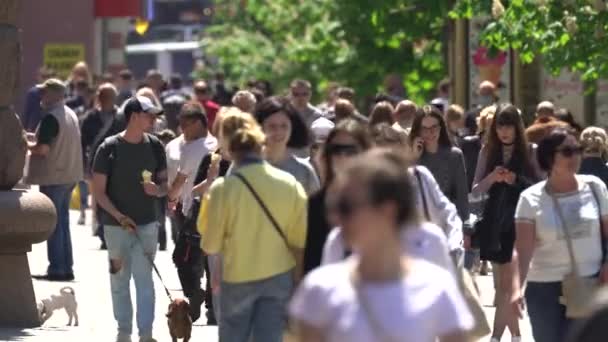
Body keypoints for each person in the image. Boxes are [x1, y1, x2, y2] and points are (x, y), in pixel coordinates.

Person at [290, 149, 473, 342]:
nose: (335, 218)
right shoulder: (318, 289)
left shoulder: (437, 286)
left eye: (346, 207)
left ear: (388, 211)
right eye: (333, 207)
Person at [199, 109, 307, 342]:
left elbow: (210, 244)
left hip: (237, 277)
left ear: (231, 151)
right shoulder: (290, 184)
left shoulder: (222, 189)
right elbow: (299, 243)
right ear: (261, 146)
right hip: (279, 277)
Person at [509, 128, 608, 342]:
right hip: (544, 290)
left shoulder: (595, 187)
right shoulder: (530, 199)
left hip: (591, 284)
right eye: (567, 151)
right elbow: (522, 250)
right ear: (548, 157)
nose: (575, 156)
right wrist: (516, 289)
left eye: (578, 150)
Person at [92, 96, 167, 342]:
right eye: (150, 115)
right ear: (134, 116)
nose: (154, 120)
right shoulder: (108, 148)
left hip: (147, 223)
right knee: (119, 280)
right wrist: (119, 216)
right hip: (115, 227)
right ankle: (123, 332)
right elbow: (99, 193)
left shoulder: (156, 145)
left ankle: (146, 335)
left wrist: (156, 189)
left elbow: (164, 185)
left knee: (145, 280)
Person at [471, 104, 543, 342]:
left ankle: (499, 337)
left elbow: (540, 188)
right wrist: (492, 178)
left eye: (509, 125)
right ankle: (514, 336)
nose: (504, 131)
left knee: (507, 286)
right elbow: (474, 191)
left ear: (517, 127)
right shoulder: (487, 151)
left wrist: (515, 179)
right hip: (494, 223)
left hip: (521, 223)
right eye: (500, 126)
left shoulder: (530, 151)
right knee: (504, 286)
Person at [25, 78, 83, 281]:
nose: (41, 96)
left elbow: (43, 149)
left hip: (54, 176)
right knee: (63, 223)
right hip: (69, 175)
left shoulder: (51, 117)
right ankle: (66, 267)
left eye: (45, 92)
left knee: (54, 225)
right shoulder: (70, 113)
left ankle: (57, 268)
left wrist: (26, 144)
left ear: (55, 94)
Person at [166, 101, 217, 322]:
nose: (182, 129)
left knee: (184, 258)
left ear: (198, 123)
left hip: (193, 209)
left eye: (185, 124)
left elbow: (180, 178)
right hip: (203, 209)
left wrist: (171, 197)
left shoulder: (196, 147)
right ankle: (211, 307)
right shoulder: (217, 144)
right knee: (208, 259)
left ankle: (196, 294)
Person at [303, 119, 373, 275]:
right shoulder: (316, 203)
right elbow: (311, 261)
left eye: (350, 150)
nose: (342, 156)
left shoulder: (381, 199)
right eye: (336, 150)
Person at [410, 105, 469, 222]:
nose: (430, 132)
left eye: (434, 127)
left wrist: (464, 230)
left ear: (441, 127)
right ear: (418, 131)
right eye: (424, 129)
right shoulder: (411, 157)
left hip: (447, 223)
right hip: (419, 225)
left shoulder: (455, 155)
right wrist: (414, 159)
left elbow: (462, 197)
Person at [80, 83, 125, 234]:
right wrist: (85, 167)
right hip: (97, 164)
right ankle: (101, 230)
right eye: (104, 96)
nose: (107, 100)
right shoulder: (90, 118)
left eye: (110, 97)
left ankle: (113, 226)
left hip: (118, 165)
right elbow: (82, 144)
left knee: (115, 197)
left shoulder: (121, 118)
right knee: (100, 197)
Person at [254, 96, 320, 193]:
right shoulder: (244, 165)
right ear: (260, 128)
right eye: (272, 126)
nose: (278, 131)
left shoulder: (304, 170)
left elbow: (316, 206)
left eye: (284, 126)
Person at [21, 67, 56, 132]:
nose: (46, 79)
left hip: (51, 129)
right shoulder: (33, 93)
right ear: (38, 77)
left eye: (48, 77)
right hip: (34, 130)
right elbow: (26, 114)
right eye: (44, 77)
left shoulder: (57, 93)